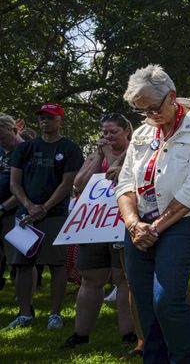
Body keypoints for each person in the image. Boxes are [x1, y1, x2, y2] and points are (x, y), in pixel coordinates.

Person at [116, 64, 190, 363]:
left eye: (152, 108)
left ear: (172, 96)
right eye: (141, 111)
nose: (149, 116)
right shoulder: (142, 133)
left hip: (186, 219)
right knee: (145, 303)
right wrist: (134, 223)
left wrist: (156, 227)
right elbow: (125, 183)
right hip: (142, 223)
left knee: (168, 298)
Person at [62, 113, 136, 349]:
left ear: (127, 131)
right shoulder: (95, 155)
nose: (107, 137)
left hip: (122, 222)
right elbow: (79, 185)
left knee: (123, 278)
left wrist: (117, 161)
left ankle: (129, 333)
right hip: (95, 224)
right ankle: (80, 334)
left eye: (113, 132)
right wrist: (100, 157)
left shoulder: (135, 153)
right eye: (104, 132)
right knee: (90, 277)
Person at [6, 103, 83, 330]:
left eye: (50, 118)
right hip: (25, 214)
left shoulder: (69, 148)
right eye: (41, 118)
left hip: (55, 214)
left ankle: (55, 314)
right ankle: (25, 314)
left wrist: (45, 207)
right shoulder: (25, 148)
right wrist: (29, 206)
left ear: (60, 119)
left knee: (56, 264)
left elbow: (67, 183)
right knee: (21, 264)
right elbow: (14, 183)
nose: (45, 121)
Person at [0, 114, 23, 290]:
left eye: (2, 137)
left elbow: (25, 188)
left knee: (19, 261)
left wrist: (3, 207)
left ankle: (24, 305)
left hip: (13, 214)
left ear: (14, 130)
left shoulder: (25, 150)